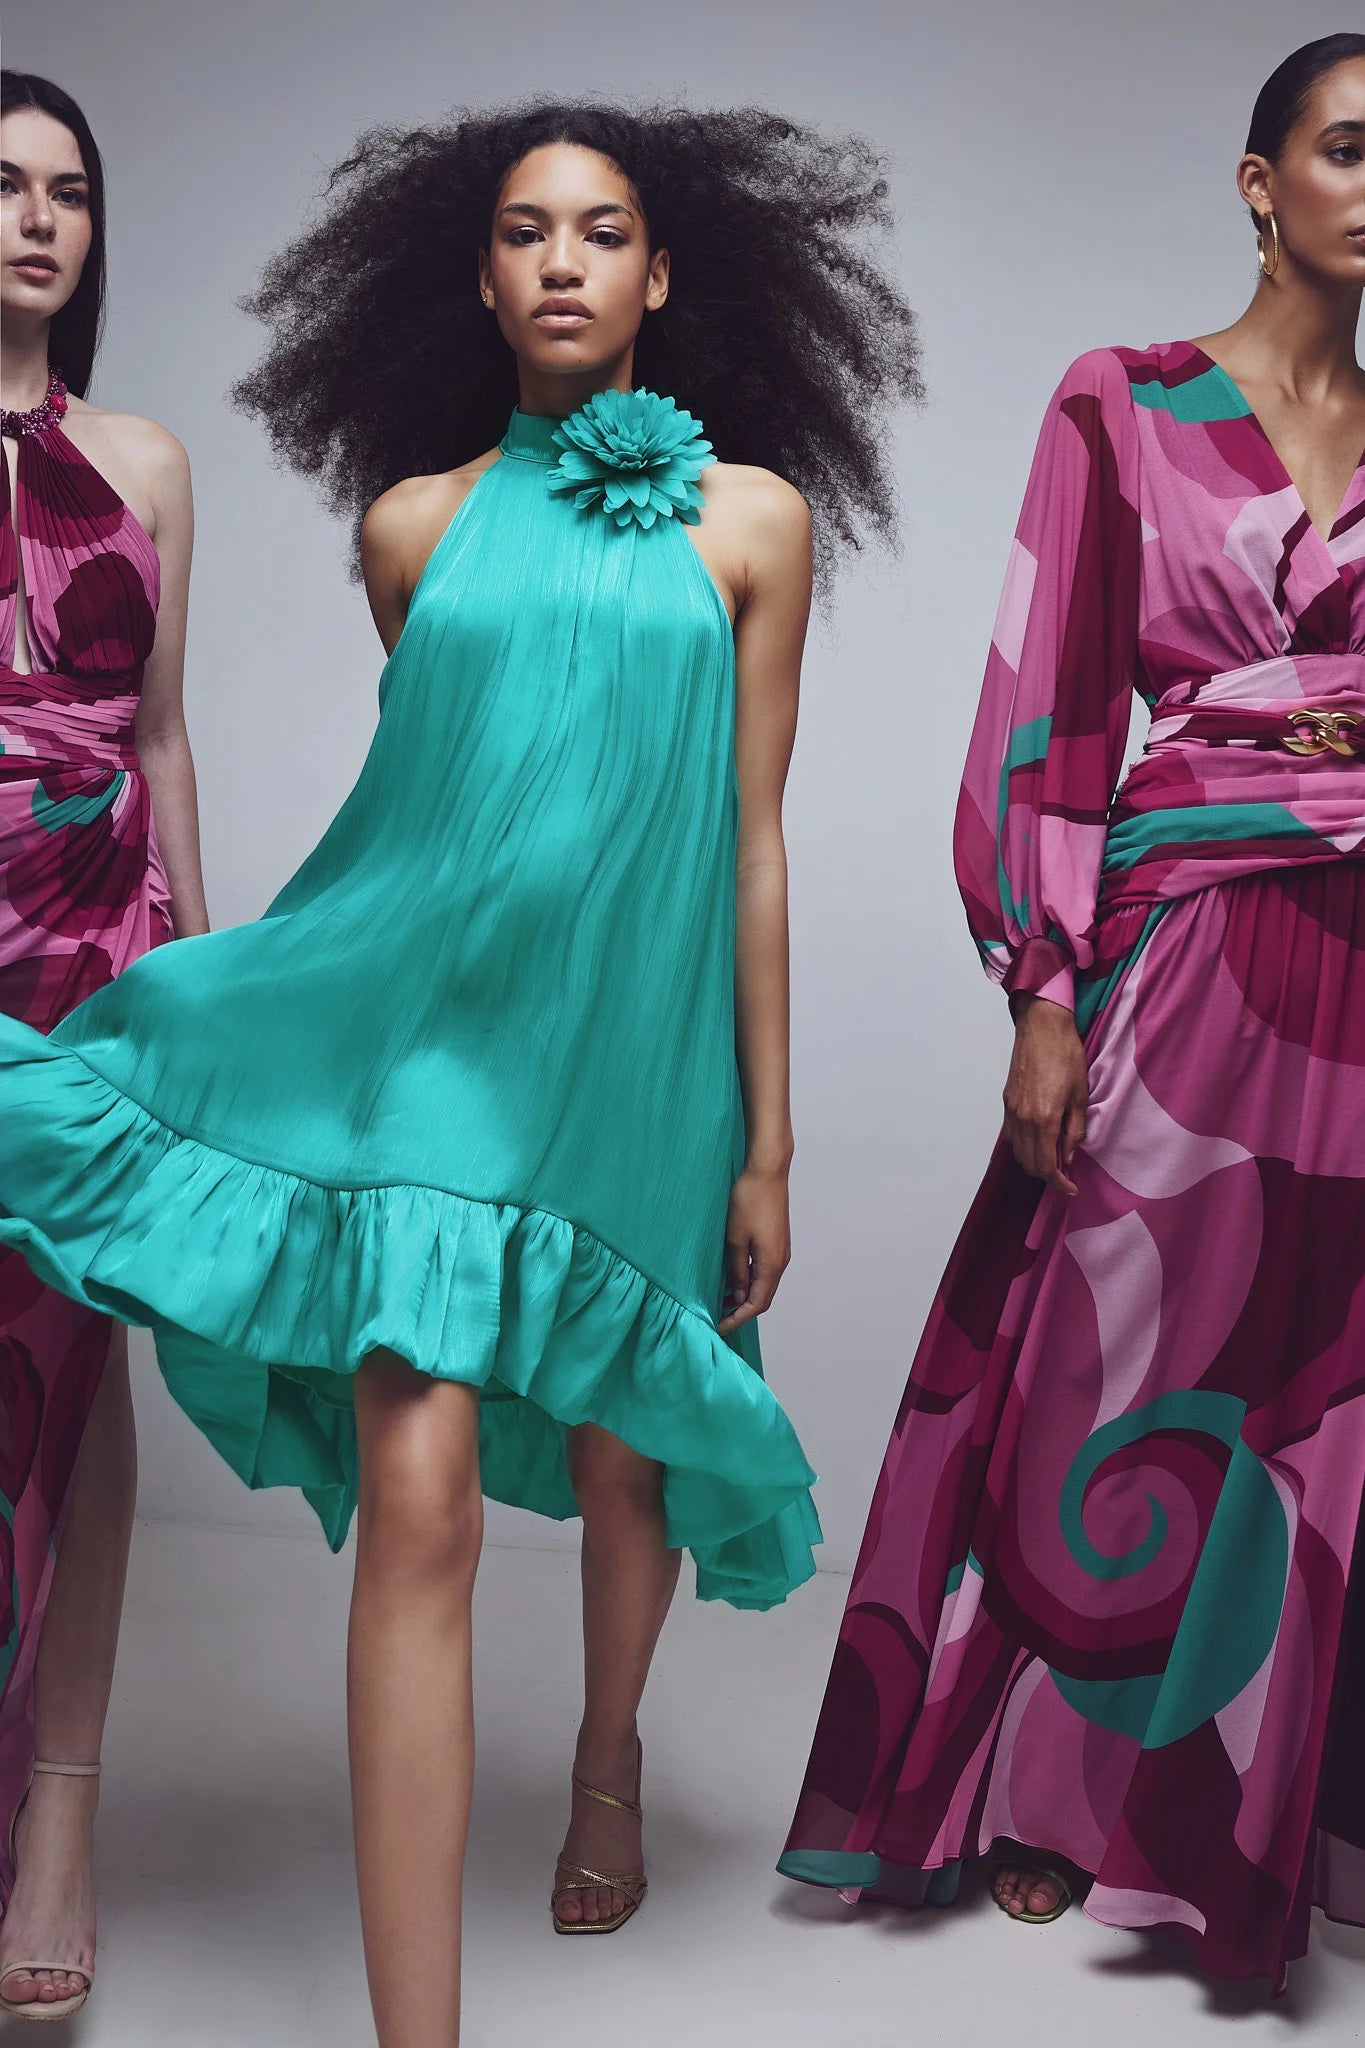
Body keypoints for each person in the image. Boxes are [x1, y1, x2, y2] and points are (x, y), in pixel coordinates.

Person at [0, 99, 920, 2043]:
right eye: (524, 230)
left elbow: (750, 842)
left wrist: (765, 1138)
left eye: (602, 230)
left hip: (642, 1059)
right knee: (417, 1492)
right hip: (435, 1049)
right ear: (480, 282)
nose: (563, 260)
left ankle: (605, 1755)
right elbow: (430, 832)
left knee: (619, 1450)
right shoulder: (408, 528)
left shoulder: (753, 521)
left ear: (661, 276)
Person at [780, 31, 1365, 1994]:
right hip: (1181, 938)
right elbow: (1047, 700)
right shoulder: (1122, 401)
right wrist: (1041, 989)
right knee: (1117, 1356)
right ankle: (1040, 1790)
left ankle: (1250, 1816)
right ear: (1257, 182)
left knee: (1316, 1390)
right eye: (1346, 149)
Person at [0, 70, 206, 2023]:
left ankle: (61, 1812)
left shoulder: (143, 458)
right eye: (3, 185)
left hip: (98, 956)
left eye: (68, 191)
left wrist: (201, 983)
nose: (39, 219)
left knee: (82, 1351)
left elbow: (157, 735)